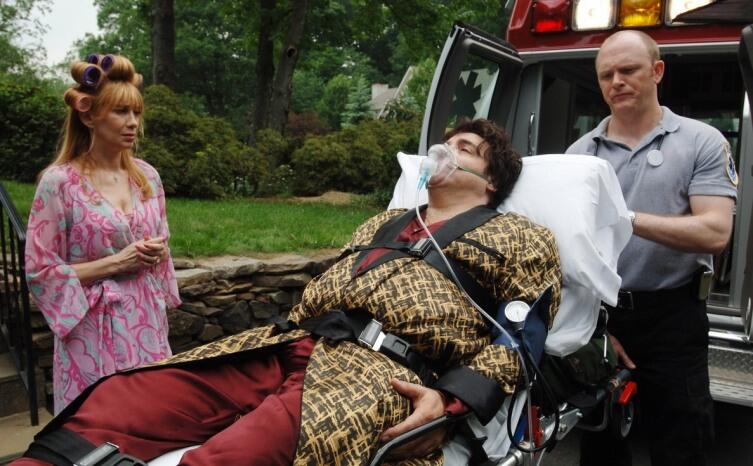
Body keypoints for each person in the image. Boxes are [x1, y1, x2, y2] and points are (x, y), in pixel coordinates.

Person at [15, 119, 561, 466]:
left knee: (236, 455)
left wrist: (451, 400)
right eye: (444, 141)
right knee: (124, 399)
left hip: (377, 371)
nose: (444, 149)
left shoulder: (521, 237)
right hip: (291, 342)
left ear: (491, 180)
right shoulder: (382, 222)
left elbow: (521, 340)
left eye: (464, 147)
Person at [566, 30, 737, 466]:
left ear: (657, 71)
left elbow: (715, 232)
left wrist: (625, 219)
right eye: (606, 75)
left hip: (674, 316)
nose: (617, 82)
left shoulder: (701, 141)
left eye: (628, 70)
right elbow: (568, 247)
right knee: (600, 442)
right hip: (603, 316)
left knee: (681, 439)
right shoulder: (579, 154)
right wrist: (594, 328)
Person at [24, 54, 181, 414]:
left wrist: (157, 252)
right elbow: (40, 272)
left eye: (137, 112)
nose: (133, 123)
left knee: (152, 418)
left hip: (146, 322)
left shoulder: (147, 177)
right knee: (99, 424)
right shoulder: (60, 183)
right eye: (121, 112)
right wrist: (115, 263)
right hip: (91, 329)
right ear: (88, 116)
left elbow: (162, 241)